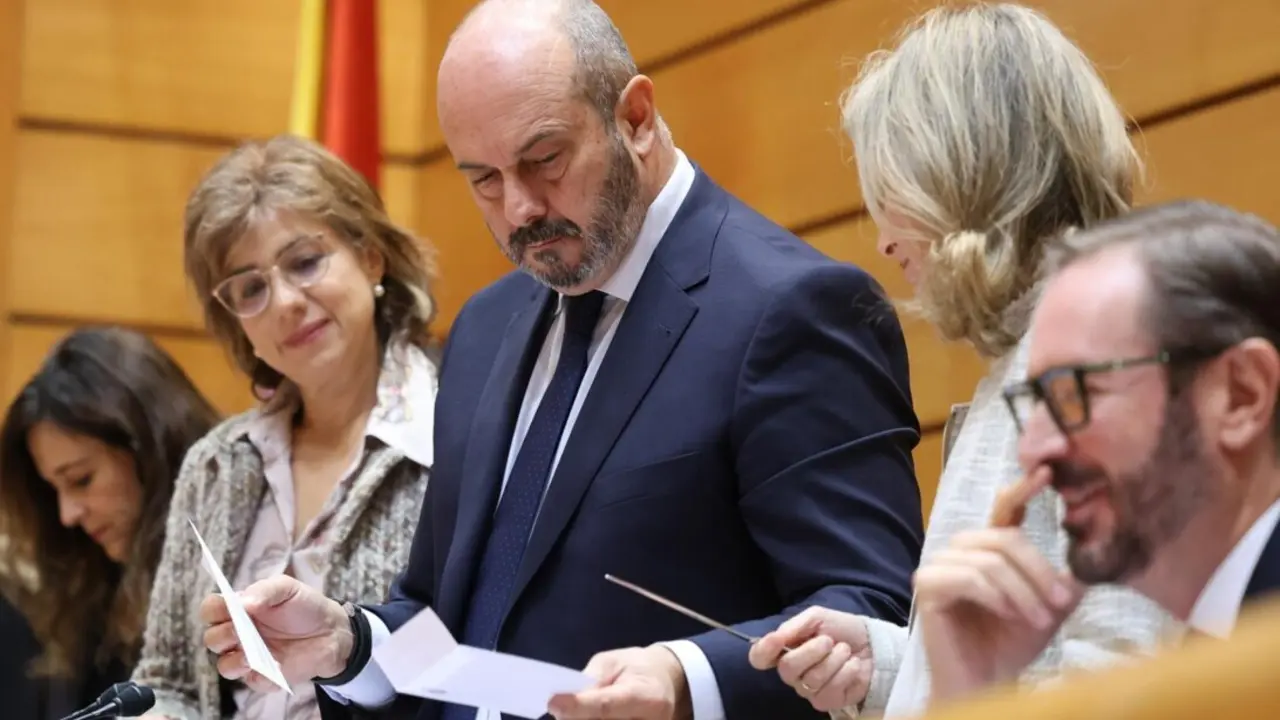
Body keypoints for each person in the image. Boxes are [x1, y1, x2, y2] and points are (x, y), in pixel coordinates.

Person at [198, 1, 925, 720]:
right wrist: (351, 645)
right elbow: (451, 631)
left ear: (635, 117)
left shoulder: (790, 307)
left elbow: (870, 614)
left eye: (543, 159)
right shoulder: (485, 326)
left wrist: (687, 678)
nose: (518, 209)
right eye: (483, 178)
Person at [747, 3, 1174, 716]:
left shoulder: (1103, 360)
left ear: (962, 171)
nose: (882, 239)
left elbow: (1121, 684)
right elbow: (1005, 662)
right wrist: (884, 664)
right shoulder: (1042, 351)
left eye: (890, 191)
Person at [912, 199, 1280, 706]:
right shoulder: (1216, 646)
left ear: (1242, 394)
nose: (1033, 448)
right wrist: (975, 694)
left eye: (1073, 394)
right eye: (1035, 402)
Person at [129, 134, 441, 720]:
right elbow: (166, 679)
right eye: (250, 288)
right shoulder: (216, 462)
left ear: (371, 255)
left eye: (304, 262)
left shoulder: (459, 434)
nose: (284, 303)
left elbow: (468, 652)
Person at [0, 326, 220, 720]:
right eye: (54, 491)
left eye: (82, 480)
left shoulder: (238, 565)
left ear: (148, 448)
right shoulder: (89, 587)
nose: (67, 515)